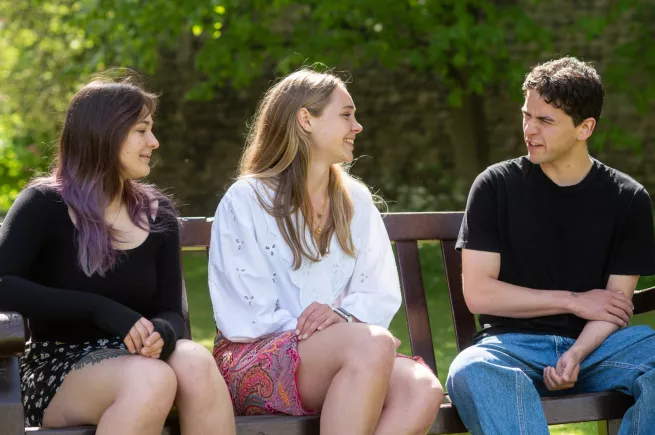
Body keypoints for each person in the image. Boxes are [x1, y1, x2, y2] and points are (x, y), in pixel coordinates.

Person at [208, 68, 443, 435]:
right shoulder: (247, 199)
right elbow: (245, 314)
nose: (358, 126)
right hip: (253, 359)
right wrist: (327, 330)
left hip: (348, 351)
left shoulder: (356, 200)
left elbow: (379, 292)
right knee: (372, 344)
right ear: (306, 119)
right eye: (346, 115)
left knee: (422, 388)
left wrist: (342, 320)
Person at [0, 77, 236, 435]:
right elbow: (4, 285)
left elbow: (170, 309)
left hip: (139, 358)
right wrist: (100, 309)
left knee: (196, 361)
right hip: (61, 366)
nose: (153, 142)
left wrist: (162, 332)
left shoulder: (158, 214)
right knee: (151, 379)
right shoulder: (44, 204)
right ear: (106, 133)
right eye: (142, 131)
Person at [446, 56, 655, 434]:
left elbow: (613, 306)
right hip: (510, 347)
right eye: (527, 115)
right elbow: (479, 294)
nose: (530, 130)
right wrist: (572, 301)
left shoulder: (628, 198)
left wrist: (576, 354)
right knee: (472, 370)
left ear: (584, 128)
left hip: (597, 349)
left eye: (545, 121)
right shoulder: (495, 186)